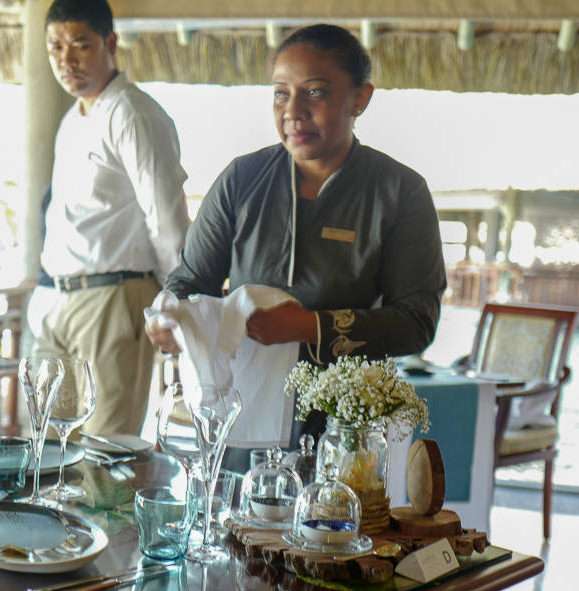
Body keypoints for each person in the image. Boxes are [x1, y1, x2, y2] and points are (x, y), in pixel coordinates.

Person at [146, 23, 446, 445]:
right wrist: (169, 318)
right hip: (239, 412)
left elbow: (417, 322)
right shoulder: (242, 179)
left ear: (360, 98)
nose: (293, 111)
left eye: (315, 92)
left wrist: (310, 326)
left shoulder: (398, 191)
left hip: (344, 420)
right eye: (280, 93)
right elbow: (192, 279)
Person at [32, 0, 189, 435]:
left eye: (80, 45)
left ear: (110, 43)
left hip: (113, 297)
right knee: (47, 447)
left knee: (104, 449)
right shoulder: (73, 119)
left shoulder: (132, 113)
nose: (66, 59)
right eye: (55, 47)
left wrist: (173, 305)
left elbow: (166, 218)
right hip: (60, 300)